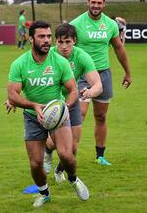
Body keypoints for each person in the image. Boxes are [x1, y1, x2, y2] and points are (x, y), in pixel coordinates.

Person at [6, 21, 89, 208]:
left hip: (57, 114)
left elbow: (73, 89)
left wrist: (65, 106)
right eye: (42, 37)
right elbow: (12, 95)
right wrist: (33, 105)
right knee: (36, 164)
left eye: (49, 37)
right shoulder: (19, 64)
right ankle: (44, 193)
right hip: (32, 117)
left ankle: (74, 180)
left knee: (67, 155)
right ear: (31, 39)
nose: (47, 41)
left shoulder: (60, 61)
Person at [70, 0, 132, 166]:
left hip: (103, 74)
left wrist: (127, 72)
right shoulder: (76, 24)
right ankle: (68, 154)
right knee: (78, 116)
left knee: (101, 116)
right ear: (87, 2)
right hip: (82, 75)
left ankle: (100, 156)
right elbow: (65, 50)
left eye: (99, 3)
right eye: (93, 2)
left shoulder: (111, 25)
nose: (96, 5)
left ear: (104, 4)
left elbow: (119, 49)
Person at [43, 23, 103, 181]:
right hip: (52, 103)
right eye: (60, 42)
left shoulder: (81, 56)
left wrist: (90, 91)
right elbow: (29, 77)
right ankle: (48, 150)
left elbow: (98, 84)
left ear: (74, 41)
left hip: (72, 100)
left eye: (68, 42)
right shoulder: (47, 55)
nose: (64, 46)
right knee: (56, 142)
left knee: (73, 147)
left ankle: (59, 170)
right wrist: (12, 98)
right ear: (55, 42)